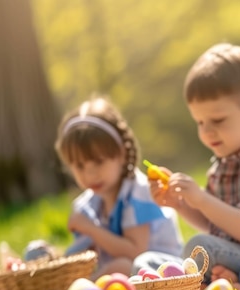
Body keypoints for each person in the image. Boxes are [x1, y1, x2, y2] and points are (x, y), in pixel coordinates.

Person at [134, 43, 240, 290]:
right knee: (145, 262)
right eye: (200, 122)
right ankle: (217, 285)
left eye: (218, 120)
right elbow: (214, 223)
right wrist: (180, 203)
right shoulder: (222, 166)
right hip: (230, 257)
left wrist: (200, 198)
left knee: (202, 246)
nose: (207, 131)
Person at [55, 95, 184, 279]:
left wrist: (91, 229)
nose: (90, 175)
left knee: (123, 266)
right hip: (123, 271)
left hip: (162, 272)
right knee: (50, 257)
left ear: (121, 154)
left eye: (99, 162)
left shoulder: (139, 193)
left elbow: (134, 253)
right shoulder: (89, 204)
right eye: (80, 166)